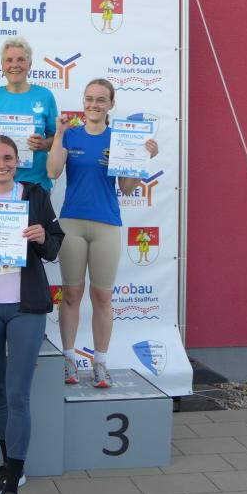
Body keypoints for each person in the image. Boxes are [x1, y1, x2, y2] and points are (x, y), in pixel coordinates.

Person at [0, 136, 64, 494]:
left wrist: (41, 237)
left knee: (18, 393)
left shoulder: (35, 195)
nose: (1, 164)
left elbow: (53, 247)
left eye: (7, 158)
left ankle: (14, 478)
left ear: (18, 161)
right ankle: (10, 468)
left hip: (25, 306)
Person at [46, 78, 158, 388]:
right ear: (83, 101)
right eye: (89, 98)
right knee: (71, 294)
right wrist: (58, 134)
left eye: (100, 99)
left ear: (111, 104)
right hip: (72, 223)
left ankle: (100, 362)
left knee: (102, 297)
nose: (94, 104)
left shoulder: (120, 138)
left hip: (106, 223)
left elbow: (127, 187)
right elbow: (53, 171)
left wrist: (143, 159)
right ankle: (69, 359)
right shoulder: (71, 135)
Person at [0, 37, 57, 192]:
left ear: (29, 64)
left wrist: (43, 144)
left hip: (37, 184)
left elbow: (56, 139)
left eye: (21, 60)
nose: (15, 65)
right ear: (2, 65)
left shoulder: (45, 96)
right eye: (9, 60)